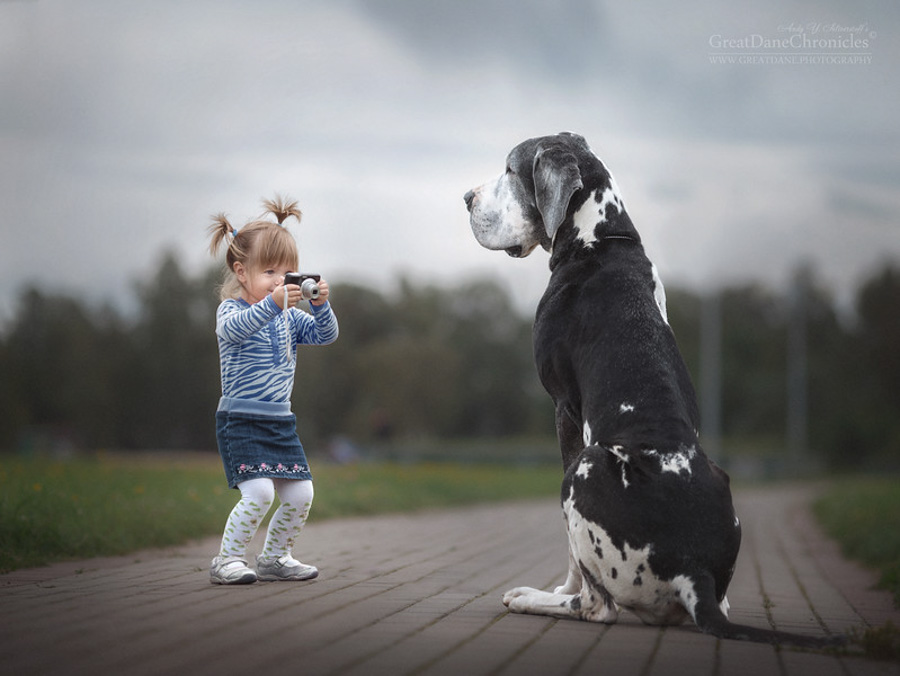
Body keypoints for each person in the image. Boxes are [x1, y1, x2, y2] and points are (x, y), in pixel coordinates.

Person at [206, 195, 338, 585]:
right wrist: (275, 305)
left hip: (280, 422)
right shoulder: (231, 311)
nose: (281, 280)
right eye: (270, 272)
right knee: (260, 492)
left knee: (301, 495)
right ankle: (227, 560)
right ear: (241, 271)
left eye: (289, 272)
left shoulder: (290, 317)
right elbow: (236, 330)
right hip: (241, 421)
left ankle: (275, 557)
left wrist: (321, 306)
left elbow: (325, 335)